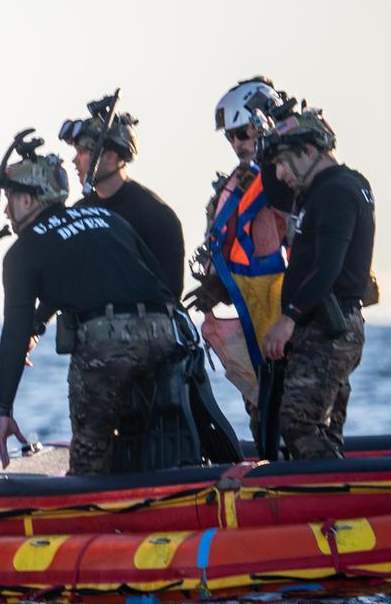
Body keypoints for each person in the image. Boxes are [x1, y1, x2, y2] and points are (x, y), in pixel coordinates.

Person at [0, 135, 180, 475]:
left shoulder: (23, 252)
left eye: (11, 198)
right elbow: (155, 280)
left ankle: (90, 500)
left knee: (91, 450)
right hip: (165, 331)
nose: (6, 210)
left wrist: (3, 410)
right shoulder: (107, 219)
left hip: (106, 344)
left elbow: (14, 333)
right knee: (164, 429)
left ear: (31, 200)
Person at [258, 108, 375, 461]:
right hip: (326, 327)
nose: (280, 174)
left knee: (299, 423)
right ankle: (333, 498)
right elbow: (275, 190)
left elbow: (327, 268)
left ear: (310, 151)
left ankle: (337, 501)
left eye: (282, 162)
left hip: (328, 329)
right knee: (321, 429)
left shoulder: (336, 191)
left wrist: (288, 318)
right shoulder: (327, 189)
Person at [189, 78, 291, 409]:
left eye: (242, 133)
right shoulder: (238, 182)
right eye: (230, 136)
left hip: (289, 323)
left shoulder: (287, 175)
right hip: (255, 323)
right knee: (264, 419)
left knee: (296, 419)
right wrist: (217, 284)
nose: (235, 143)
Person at [60, 96, 186, 297]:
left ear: (110, 156)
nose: (75, 160)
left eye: (83, 151)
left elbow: (170, 294)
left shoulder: (156, 216)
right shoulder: (77, 213)